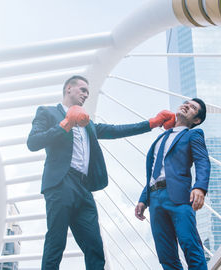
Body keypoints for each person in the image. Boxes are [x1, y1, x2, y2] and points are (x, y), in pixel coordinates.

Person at [27, 75, 174, 270]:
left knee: (95, 247)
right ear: (68, 89)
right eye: (83, 90)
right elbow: (33, 142)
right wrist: (65, 125)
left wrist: (152, 123)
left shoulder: (87, 123)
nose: (86, 95)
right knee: (56, 241)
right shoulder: (47, 112)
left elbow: (116, 130)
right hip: (61, 183)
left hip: (84, 188)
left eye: (88, 92)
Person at [135, 98, 210, 270]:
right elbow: (156, 172)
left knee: (190, 246)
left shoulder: (193, 134)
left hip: (179, 198)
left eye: (192, 108)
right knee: (165, 255)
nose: (186, 106)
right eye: (186, 103)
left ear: (196, 120)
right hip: (155, 200)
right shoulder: (161, 137)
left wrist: (200, 187)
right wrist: (143, 199)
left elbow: (202, 161)